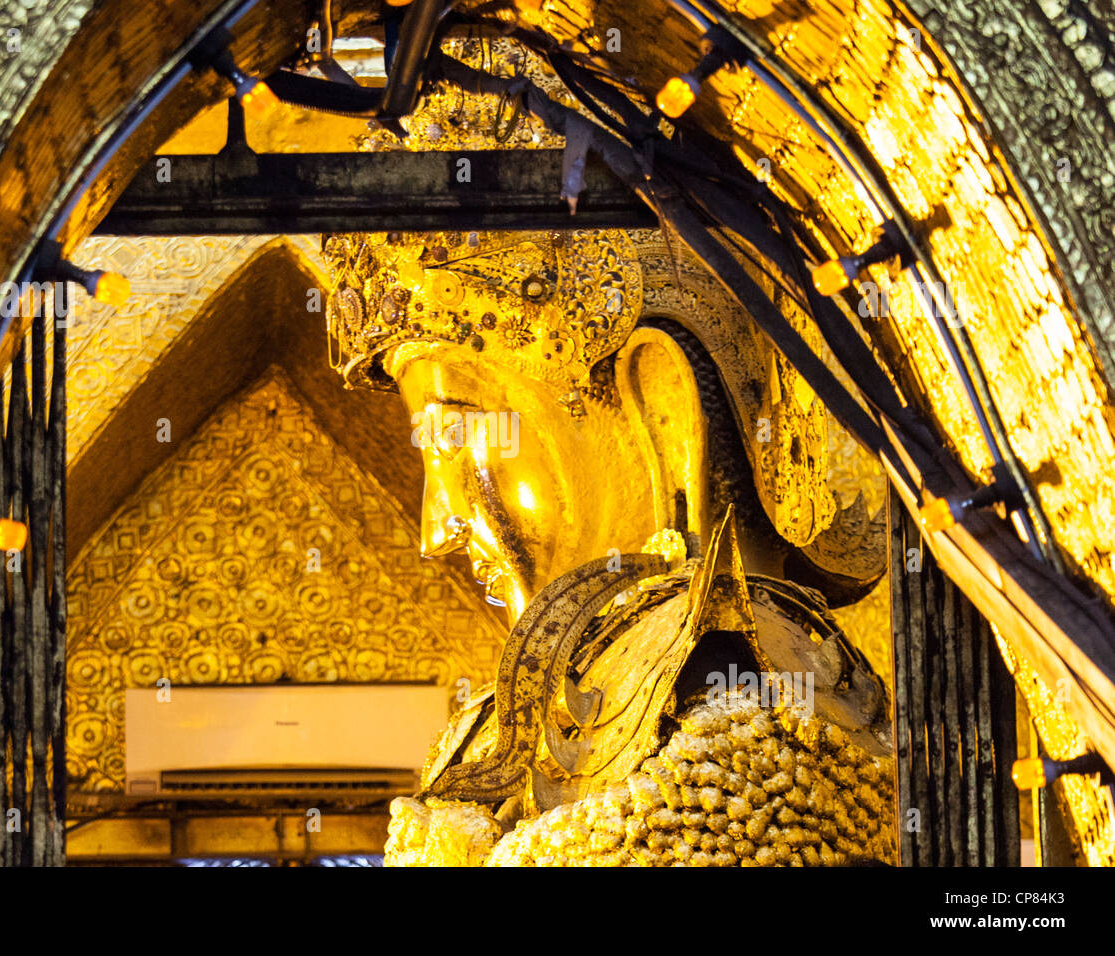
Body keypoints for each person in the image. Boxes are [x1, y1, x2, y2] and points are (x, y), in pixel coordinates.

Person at [325, 227, 894, 866]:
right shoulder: (516, 720)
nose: (438, 531)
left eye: (451, 438)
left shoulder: (737, 699)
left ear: (660, 411)